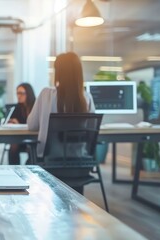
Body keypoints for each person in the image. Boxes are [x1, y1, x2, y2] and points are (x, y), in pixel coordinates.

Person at [27, 52, 95, 194]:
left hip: (51, 164)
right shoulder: (87, 98)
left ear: (58, 72)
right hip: (80, 165)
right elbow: (91, 131)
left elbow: (32, 125)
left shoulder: (46, 94)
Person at [8, 83, 36, 165]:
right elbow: (12, 121)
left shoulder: (35, 106)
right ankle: (14, 170)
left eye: (21, 93)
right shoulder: (17, 107)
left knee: (31, 148)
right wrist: (12, 122)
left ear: (28, 93)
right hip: (20, 138)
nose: (19, 96)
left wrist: (19, 123)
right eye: (17, 93)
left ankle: (28, 168)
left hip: (33, 137)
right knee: (13, 146)